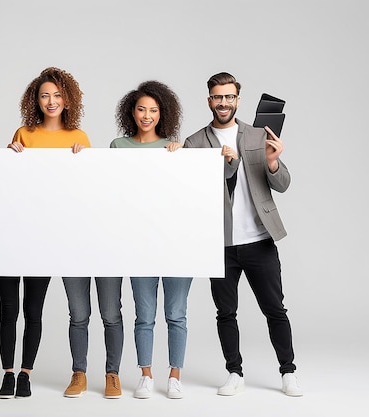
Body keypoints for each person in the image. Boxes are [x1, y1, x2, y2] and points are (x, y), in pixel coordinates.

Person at [183, 72, 302, 397]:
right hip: (219, 244)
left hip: (259, 240)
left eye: (229, 97)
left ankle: (288, 371)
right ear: (209, 101)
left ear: (238, 100)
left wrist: (273, 162)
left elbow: (283, 184)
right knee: (226, 312)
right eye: (217, 97)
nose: (223, 103)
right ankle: (234, 371)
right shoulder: (195, 142)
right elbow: (191, 193)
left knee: (275, 309)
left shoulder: (257, 135)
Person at [0, 67, 91, 399]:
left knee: (33, 309)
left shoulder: (78, 138)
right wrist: (10, 157)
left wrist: (84, 163)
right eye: (44, 95)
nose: (51, 101)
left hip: (46, 237)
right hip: (13, 233)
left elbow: (84, 193)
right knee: (8, 308)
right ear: (35, 101)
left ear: (68, 99)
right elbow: (8, 187)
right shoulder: (24, 133)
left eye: (57, 95)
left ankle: (26, 374)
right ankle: (7, 373)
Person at [110, 80, 193, 399]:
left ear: (163, 114)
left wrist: (180, 155)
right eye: (142, 109)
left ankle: (175, 375)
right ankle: (145, 374)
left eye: (153, 110)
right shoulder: (119, 145)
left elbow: (186, 195)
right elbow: (113, 192)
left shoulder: (174, 148)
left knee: (176, 313)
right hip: (138, 243)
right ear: (131, 112)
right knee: (144, 315)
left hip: (176, 244)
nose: (147, 115)